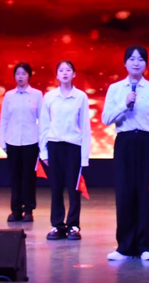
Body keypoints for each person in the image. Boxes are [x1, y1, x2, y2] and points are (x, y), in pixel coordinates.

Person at [103, 46, 149, 261]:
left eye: (140, 59)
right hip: (125, 143)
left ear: (146, 64)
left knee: (144, 194)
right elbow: (106, 118)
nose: (136, 63)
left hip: (148, 143)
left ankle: (146, 246)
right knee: (124, 193)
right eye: (132, 59)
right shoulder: (115, 89)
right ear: (125, 63)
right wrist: (124, 104)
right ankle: (124, 247)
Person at [40, 60, 92, 241]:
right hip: (54, 145)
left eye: (68, 70)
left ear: (74, 74)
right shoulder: (49, 97)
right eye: (61, 70)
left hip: (73, 147)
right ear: (56, 75)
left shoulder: (81, 97)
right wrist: (43, 152)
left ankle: (73, 225)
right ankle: (57, 225)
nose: (64, 73)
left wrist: (85, 156)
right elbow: (44, 125)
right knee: (56, 187)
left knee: (73, 187)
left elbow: (85, 127)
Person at [0, 63, 42, 223]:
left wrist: (42, 142)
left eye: (23, 73)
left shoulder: (37, 95)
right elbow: (4, 119)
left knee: (28, 177)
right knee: (15, 177)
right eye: (17, 73)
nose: (20, 76)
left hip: (31, 141)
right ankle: (15, 210)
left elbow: (42, 119)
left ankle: (29, 210)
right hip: (12, 141)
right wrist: (2, 140)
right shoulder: (9, 95)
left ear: (29, 76)